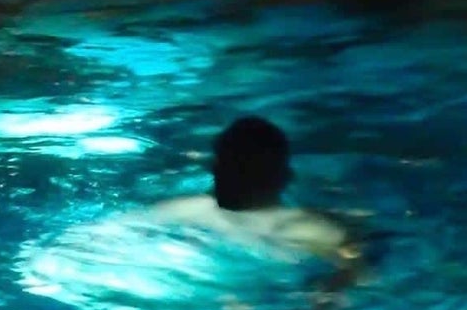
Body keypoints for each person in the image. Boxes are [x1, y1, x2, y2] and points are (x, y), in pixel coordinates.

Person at [152, 115, 363, 284]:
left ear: (215, 169)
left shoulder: (187, 211)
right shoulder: (313, 230)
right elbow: (363, 279)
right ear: (285, 177)